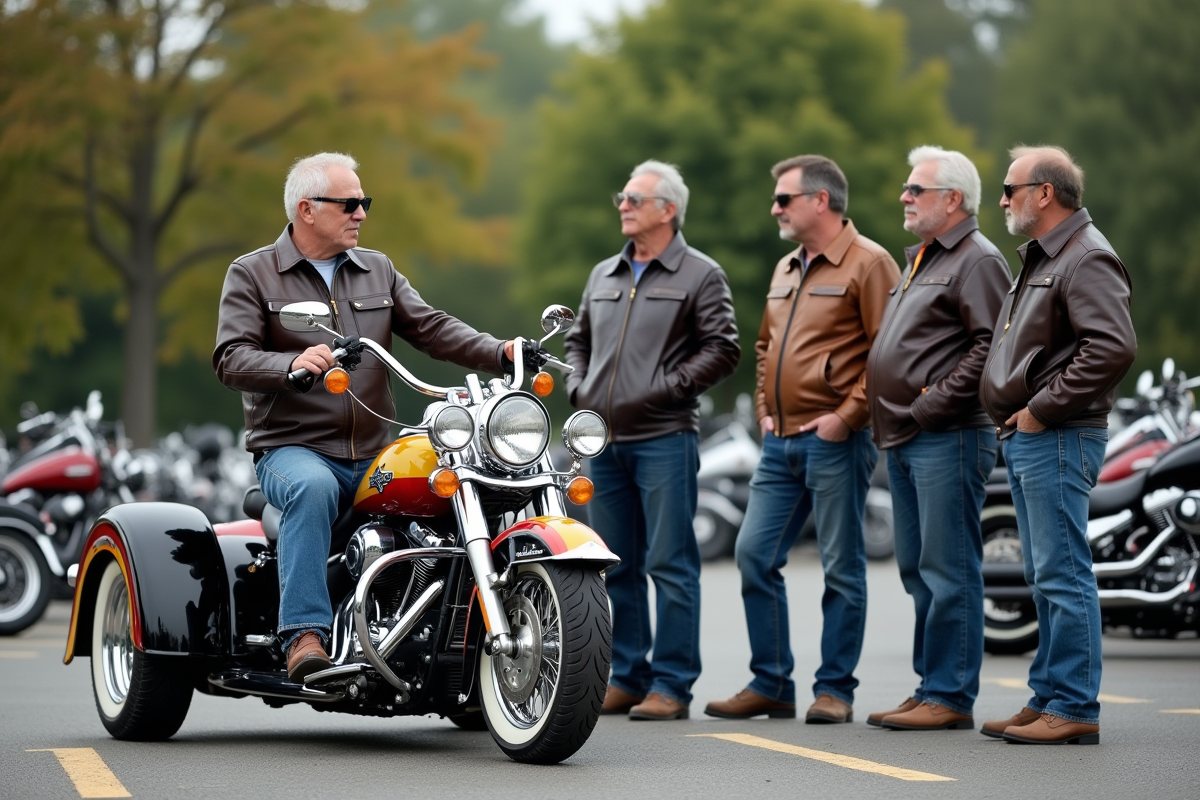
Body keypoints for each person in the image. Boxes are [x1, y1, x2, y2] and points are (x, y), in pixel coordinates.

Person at [213, 152, 515, 683]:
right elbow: (231, 357)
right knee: (311, 488)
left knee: (456, 479)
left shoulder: (377, 269)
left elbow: (431, 327)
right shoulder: (254, 272)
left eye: (364, 202)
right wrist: (290, 365)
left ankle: (445, 630)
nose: (361, 213)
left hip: (375, 449)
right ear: (307, 209)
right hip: (293, 447)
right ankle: (303, 635)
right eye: (350, 203)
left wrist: (500, 351)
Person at [705, 155, 900, 723]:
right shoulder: (786, 266)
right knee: (752, 555)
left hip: (836, 440)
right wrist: (765, 408)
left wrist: (847, 416)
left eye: (783, 199)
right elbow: (765, 347)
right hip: (780, 442)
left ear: (821, 200)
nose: (774, 209)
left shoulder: (871, 263)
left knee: (842, 566)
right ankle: (771, 683)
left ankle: (835, 690)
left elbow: (890, 354)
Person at [564, 160, 740, 721]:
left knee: (671, 563)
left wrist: (663, 390)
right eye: (622, 197)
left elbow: (723, 349)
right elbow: (577, 341)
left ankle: (672, 685)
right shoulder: (604, 274)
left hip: (665, 437)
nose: (623, 205)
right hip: (602, 444)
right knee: (615, 564)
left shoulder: (701, 274)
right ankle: (628, 675)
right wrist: (578, 386)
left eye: (634, 199)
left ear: (668, 210)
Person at [980, 145, 1136, 744]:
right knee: (1045, 573)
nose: (1002, 200)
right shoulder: (1049, 255)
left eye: (1010, 188)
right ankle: (1047, 695)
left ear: (1045, 193)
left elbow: (1112, 347)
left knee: (1063, 572)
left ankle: (1072, 707)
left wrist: (1041, 410)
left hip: (1060, 434)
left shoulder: (1085, 256)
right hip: (1035, 435)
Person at [863, 146, 1011, 731]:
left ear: (952, 199)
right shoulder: (926, 257)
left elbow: (991, 345)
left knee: (949, 571)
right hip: (909, 436)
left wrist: (931, 404)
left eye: (915, 189)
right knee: (919, 570)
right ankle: (931, 686)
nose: (904, 196)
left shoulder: (977, 259)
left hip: (946, 435)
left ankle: (950, 696)